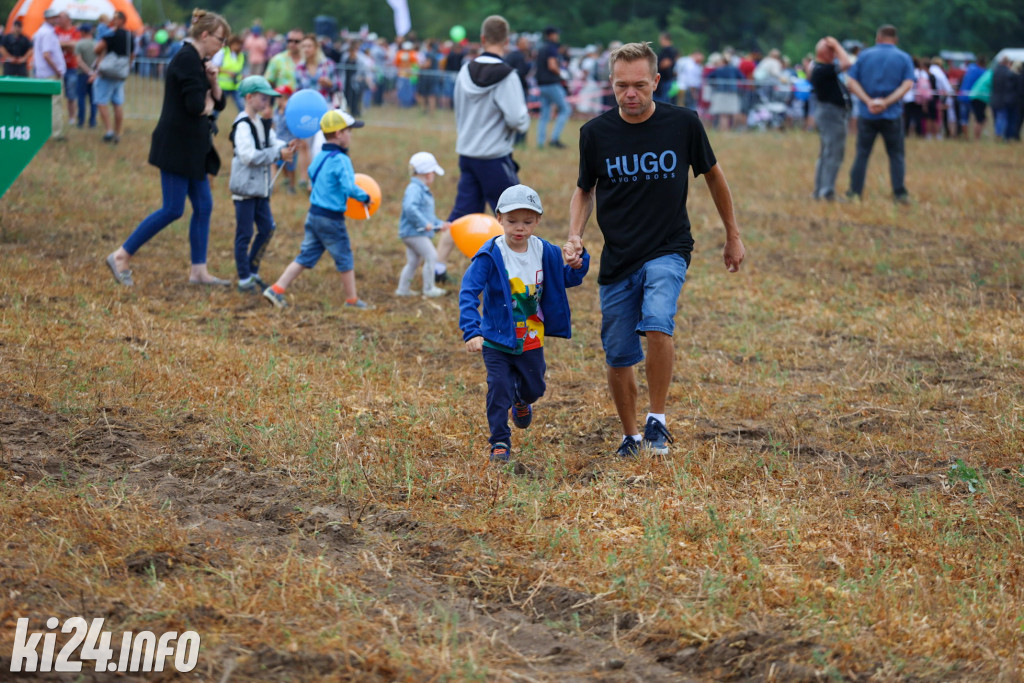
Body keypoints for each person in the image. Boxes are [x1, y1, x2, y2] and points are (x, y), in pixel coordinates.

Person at [563, 41, 745, 458]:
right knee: (618, 353)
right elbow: (583, 189)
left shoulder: (683, 124)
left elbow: (715, 178)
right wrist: (575, 234)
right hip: (618, 257)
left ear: (656, 82)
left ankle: (657, 422)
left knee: (659, 320)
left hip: (669, 246)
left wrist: (732, 234)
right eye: (622, 85)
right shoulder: (594, 133)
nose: (631, 93)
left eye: (640, 85)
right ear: (611, 83)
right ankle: (632, 436)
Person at [459, 184, 589, 463]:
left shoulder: (545, 251)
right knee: (498, 388)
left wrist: (577, 263)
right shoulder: (491, 254)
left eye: (528, 222)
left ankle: (521, 400)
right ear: (499, 219)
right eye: (513, 221)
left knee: (535, 389)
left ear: (538, 220)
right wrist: (472, 330)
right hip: (497, 338)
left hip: (532, 338)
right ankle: (499, 442)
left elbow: (567, 278)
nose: (520, 228)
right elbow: (469, 291)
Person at [105, 9, 231, 288]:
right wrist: (207, 104)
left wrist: (213, 83)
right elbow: (197, 107)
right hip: (177, 146)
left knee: (204, 205)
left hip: (195, 146)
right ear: (206, 35)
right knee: (173, 208)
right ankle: (121, 255)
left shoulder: (201, 61)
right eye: (221, 40)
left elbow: (217, 105)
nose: (222, 46)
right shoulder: (186, 59)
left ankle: (199, 271)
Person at [433, 15, 530, 285]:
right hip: (495, 157)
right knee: (516, 216)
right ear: (507, 41)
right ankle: (519, 274)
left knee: (461, 214)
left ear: (483, 39)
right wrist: (522, 120)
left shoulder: (465, 70)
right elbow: (516, 119)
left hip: (468, 154)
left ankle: (437, 267)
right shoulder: (507, 75)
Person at [262, 110, 373, 310]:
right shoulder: (341, 160)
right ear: (339, 134)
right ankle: (352, 300)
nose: (351, 135)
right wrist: (364, 197)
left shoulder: (321, 155)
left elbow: (312, 174)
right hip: (331, 219)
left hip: (314, 215)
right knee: (345, 257)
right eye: (349, 131)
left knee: (305, 256)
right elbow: (348, 187)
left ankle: (277, 289)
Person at [229, 76, 296, 293]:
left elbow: (274, 142)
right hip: (246, 190)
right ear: (249, 97)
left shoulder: (260, 122)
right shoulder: (242, 125)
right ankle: (243, 278)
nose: (267, 102)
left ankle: (252, 269)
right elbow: (248, 156)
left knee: (267, 228)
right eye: (263, 97)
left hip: (260, 188)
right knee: (245, 234)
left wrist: (286, 145)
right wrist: (277, 153)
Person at [844, 25, 915, 203]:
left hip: (867, 115)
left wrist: (868, 101)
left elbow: (851, 82)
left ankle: (854, 192)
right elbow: (907, 85)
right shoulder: (904, 57)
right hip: (892, 114)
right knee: (896, 155)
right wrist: (886, 102)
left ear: (878, 37)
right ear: (895, 39)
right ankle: (899, 194)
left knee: (862, 154)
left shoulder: (864, 55)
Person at [395, 152, 451, 298]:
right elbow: (409, 208)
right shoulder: (415, 189)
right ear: (427, 174)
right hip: (415, 233)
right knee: (432, 256)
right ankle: (429, 288)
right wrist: (424, 223)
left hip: (413, 232)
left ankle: (403, 289)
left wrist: (439, 224)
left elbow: (428, 216)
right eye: (433, 172)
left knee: (413, 261)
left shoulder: (420, 189)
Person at [810, 36, 852, 201]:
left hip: (829, 113)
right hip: (831, 114)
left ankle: (820, 190)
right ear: (825, 53)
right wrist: (836, 44)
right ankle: (826, 192)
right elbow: (847, 63)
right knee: (833, 154)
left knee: (826, 154)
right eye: (833, 52)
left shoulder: (820, 68)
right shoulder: (822, 68)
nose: (835, 54)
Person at [93, 11, 134, 144]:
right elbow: (132, 53)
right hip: (120, 72)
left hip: (108, 71)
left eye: (116, 18)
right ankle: (118, 133)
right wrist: (126, 67)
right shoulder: (129, 35)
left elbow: (98, 49)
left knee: (101, 101)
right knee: (118, 103)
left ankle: (109, 131)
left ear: (121, 20)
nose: (113, 20)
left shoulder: (110, 34)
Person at [33, 9, 68, 141]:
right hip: (51, 74)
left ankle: (44, 131)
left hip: (43, 73)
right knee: (55, 103)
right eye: (55, 17)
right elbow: (47, 54)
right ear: (49, 18)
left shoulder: (42, 31)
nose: (58, 20)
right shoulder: (47, 33)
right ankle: (56, 133)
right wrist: (57, 70)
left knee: (45, 104)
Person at [534, 26, 570, 149]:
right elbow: (552, 66)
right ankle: (554, 139)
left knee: (544, 114)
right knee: (565, 109)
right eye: (556, 34)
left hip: (542, 85)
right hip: (551, 83)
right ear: (551, 35)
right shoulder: (551, 48)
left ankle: (540, 142)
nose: (557, 36)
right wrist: (562, 73)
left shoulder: (541, 48)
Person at [271, 85, 298, 192]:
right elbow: (274, 125)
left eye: (281, 97)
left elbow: (295, 126)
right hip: (278, 142)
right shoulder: (276, 111)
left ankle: (291, 186)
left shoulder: (290, 113)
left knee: (290, 166)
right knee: (274, 163)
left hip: (289, 142)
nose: (278, 100)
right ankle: (271, 185)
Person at [73, 24, 98, 129]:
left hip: (82, 75)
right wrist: (93, 73)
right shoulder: (97, 44)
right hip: (95, 75)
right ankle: (92, 121)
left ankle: (81, 121)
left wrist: (88, 72)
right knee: (94, 99)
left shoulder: (80, 44)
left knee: (81, 98)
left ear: (83, 32)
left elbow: (79, 61)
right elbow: (100, 61)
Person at [219, 35, 246, 111]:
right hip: (223, 86)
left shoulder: (241, 55)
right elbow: (214, 66)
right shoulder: (223, 52)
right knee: (217, 108)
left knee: (241, 106)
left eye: (240, 44)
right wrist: (227, 72)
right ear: (231, 44)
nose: (239, 46)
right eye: (237, 44)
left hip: (236, 86)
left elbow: (240, 69)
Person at [654, 32, 677, 103]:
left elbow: (666, 63)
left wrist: (655, 66)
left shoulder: (668, 50)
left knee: (663, 101)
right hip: (664, 79)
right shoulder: (668, 50)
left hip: (665, 79)